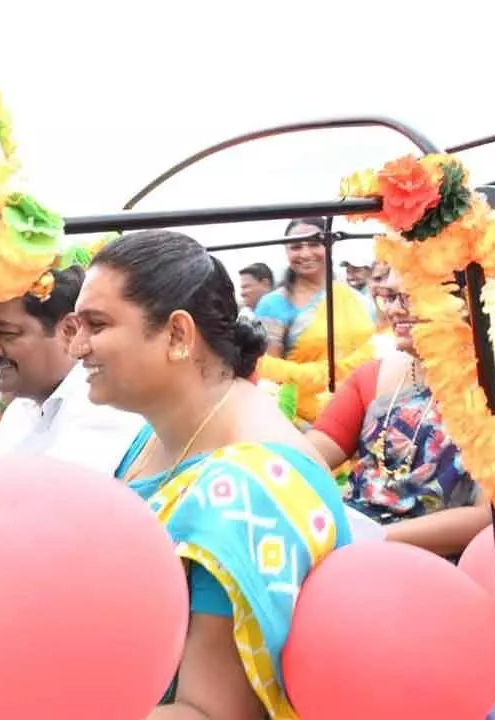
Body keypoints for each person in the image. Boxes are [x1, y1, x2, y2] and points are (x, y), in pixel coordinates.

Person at [72, 230, 353, 718]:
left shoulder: (252, 487)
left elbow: (210, 712)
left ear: (178, 335)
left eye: (96, 325)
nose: (77, 347)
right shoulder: (157, 436)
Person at [306, 266, 491, 558]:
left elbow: (486, 517)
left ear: (462, 300)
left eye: (409, 297)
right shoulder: (371, 376)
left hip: (440, 565)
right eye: (389, 297)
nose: (394, 310)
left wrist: (373, 539)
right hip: (349, 546)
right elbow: (305, 458)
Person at [0, 265, 144, 475]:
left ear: (69, 331)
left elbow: (47, 499)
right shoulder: (21, 408)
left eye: (6, 333)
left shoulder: (102, 405)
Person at [254, 218, 375, 362]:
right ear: (286, 251)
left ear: (330, 246)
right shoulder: (272, 304)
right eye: (296, 247)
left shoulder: (358, 300)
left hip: (360, 383)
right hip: (296, 383)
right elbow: (268, 371)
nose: (305, 254)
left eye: (314, 244)